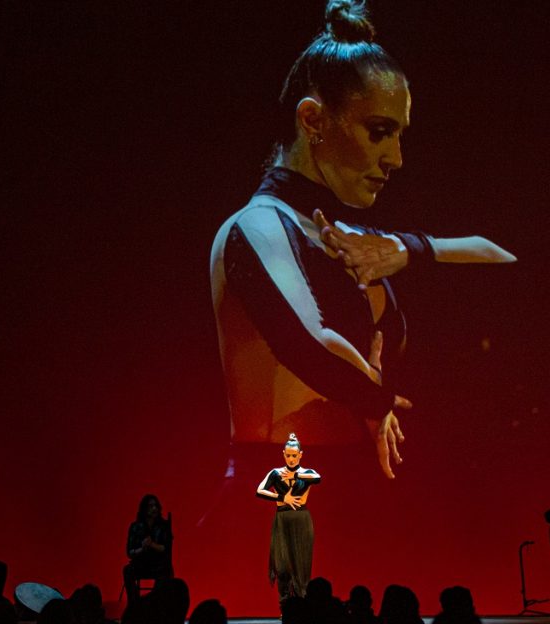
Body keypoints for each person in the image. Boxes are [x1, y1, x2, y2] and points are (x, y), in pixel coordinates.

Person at [209, 0, 516, 482]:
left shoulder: (360, 239)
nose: (396, 158)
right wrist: (376, 396)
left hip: (363, 492)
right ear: (312, 121)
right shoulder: (256, 228)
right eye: (379, 133)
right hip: (279, 494)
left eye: (399, 136)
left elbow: (503, 259)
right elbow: (308, 346)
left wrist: (414, 248)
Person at [256, 432, 321, 601]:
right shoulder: (276, 473)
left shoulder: (307, 473)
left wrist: (296, 475)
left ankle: (302, 601)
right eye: (288, 455)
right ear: (284, 454)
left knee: (301, 563)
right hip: (282, 520)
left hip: (301, 520)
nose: (291, 459)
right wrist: (281, 497)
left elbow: (317, 478)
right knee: (282, 563)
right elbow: (260, 490)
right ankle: (285, 603)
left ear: (300, 455)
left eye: (294, 456)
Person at [124, 494, 174, 606]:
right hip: (141, 564)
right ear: (144, 509)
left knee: (166, 571)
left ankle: (154, 604)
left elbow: (166, 548)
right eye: (151, 506)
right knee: (127, 571)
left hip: (158, 565)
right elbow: (129, 552)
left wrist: (152, 545)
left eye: (156, 506)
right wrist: (142, 549)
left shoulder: (163, 526)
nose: (154, 508)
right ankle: (134, 605)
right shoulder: (135, 527)